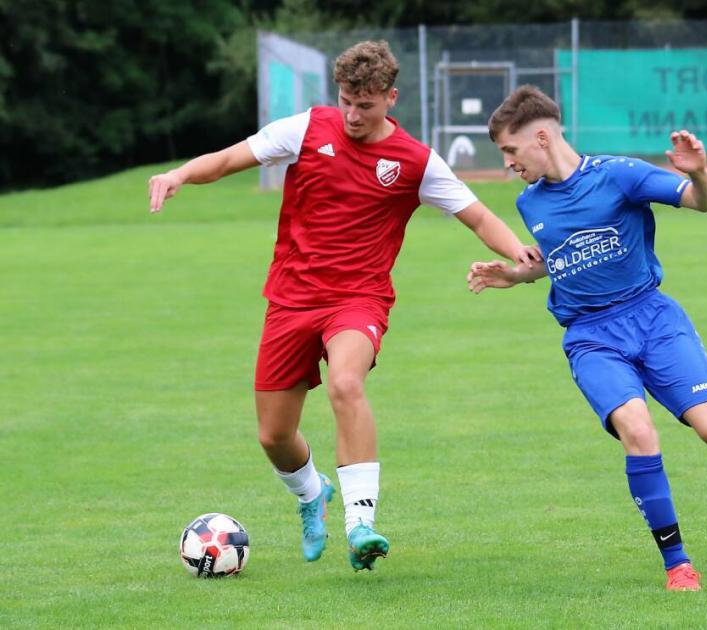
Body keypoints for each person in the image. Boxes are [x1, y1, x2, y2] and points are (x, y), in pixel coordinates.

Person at [147, 41, 539, 572]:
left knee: (346, 383)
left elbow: (476, 216)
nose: (354, 115)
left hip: (359, 299)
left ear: (391, 98)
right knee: (274, 435)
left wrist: (519, 253)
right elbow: (229, 159)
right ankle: (313, 494)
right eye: (347, 101)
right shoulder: (307, 128)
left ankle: (361, 524)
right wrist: (179, 175)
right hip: (290, 296)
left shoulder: (414, 161)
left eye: (367, 105)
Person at [467, 86, 707, 592]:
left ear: (541, 137)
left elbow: (703, 202)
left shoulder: (620, 175)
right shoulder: (530, 202)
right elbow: (565, 258)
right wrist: (517, 275)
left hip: (652, 319)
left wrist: (699, 170)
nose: (506, 163)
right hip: (589, 336)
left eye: (510, 150)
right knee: (638, 429)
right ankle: (677, 563)